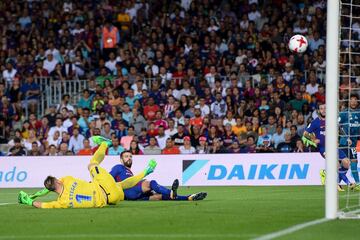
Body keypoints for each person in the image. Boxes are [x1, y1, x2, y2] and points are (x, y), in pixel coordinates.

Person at [18, 136, 157, 208]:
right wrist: (35, 194)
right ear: (57, 180)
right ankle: (105, 144)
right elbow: (48, 188)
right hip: (102, 184)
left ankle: (146, 171)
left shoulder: (62, 202)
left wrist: (29, 201)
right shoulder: (67, 179)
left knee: (122, 185)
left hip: (111, 199)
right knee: (92, 164)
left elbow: (42, 205)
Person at [110, 150, 207, 201]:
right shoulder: (118, 167)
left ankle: (188, 197)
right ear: (121, 160)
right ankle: (171, 193)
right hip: (128, 191)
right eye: (126, 157)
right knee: (150, 183)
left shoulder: (130, 173)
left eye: (130, 156)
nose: (129, 158)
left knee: (158, 196)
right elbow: (108, 178)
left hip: (133, 197)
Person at [302, 104, 359, 191]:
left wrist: (347, 138)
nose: (323, 110)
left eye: (325, 108)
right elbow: (305, 134)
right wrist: (313, 140)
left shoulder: (332, 120)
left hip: (333, 146)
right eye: (321, 109)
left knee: (346, 163)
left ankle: (326, 173)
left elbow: (340, 129)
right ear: (319, 111)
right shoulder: (315, 122)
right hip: (323, 147)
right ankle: (348, 183)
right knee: (335, 163)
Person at [339, 94, 360, 185]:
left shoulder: (359, 113)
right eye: (351, 99)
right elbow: (337, 125)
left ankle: (337, 183)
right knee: (353, 161)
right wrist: (346, 137)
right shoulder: (344, 113)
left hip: (354, 142)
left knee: (345, 165)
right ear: (349, 101)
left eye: (355, 100)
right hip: (345, 142)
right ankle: (358, 183)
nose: (353, 101)